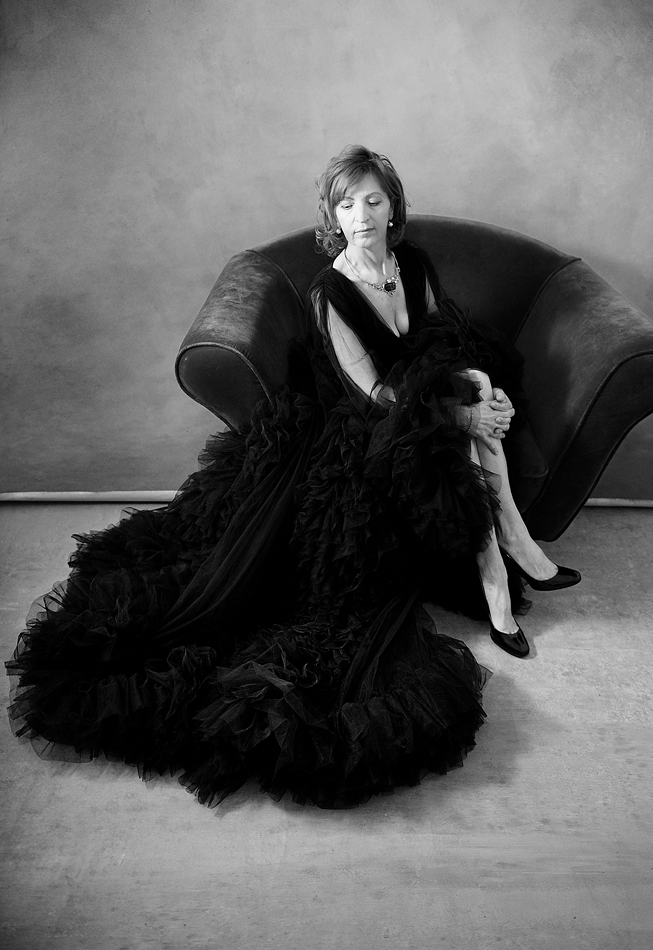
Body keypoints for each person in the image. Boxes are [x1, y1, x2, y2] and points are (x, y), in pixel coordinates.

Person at [6, 145, 579, 809]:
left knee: (475, 380)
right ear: (332, 215)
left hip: (414, 401)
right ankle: (507, 567)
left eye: (373, 200)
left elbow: (438, 349)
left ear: (394, 206)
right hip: (358, 425)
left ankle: (512, 555)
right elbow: (374, 396)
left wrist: (482, 399)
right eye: (346, 204)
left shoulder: (413, 264)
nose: (361, 215)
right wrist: (462, 415)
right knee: (453, 430)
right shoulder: (328, 292)